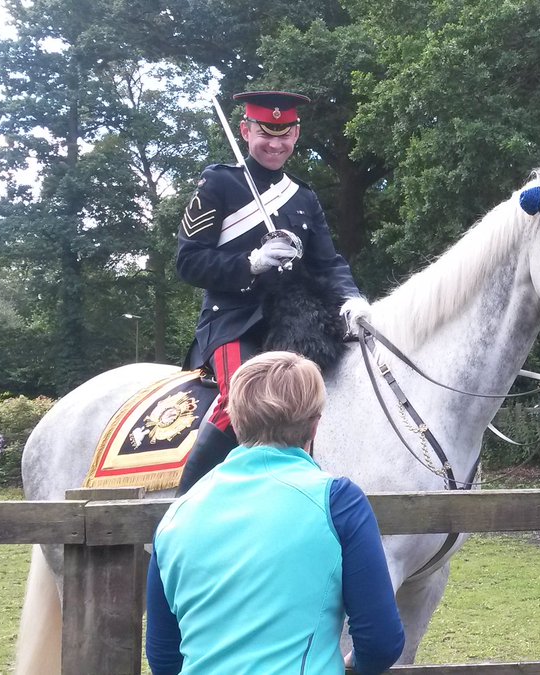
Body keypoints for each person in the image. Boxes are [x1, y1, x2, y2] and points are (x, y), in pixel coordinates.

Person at [145, 351, 404, 674]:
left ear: (235, 421)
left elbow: (163, 657)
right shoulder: (339, 503)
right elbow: (380, 642)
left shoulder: (175, 516)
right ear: (314, 425)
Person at [175, 90, 371, 496]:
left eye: (285, 135)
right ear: (246, 131)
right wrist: (251, 263)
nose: (275, 144)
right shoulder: (219, 184)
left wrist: (352, 298)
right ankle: (184, 506)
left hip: (297, 322)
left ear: (296, 134)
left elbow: (327, 263)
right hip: (233, 320)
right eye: (266, 133)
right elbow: (188, 261)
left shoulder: (303, 197)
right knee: (243, 399)